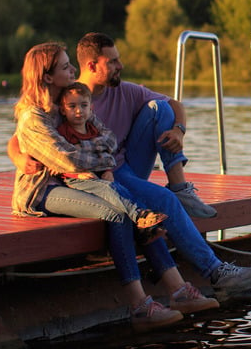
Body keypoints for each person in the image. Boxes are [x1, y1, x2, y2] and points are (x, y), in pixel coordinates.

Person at [9, 34, 251, 292]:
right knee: (158, 202)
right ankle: (212, 272)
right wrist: (18, 157)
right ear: (92, 66)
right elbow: (25, 138)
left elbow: (169, 106)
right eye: (113, 61)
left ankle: (179, 187)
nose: (121, 66)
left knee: (160, 109)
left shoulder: (117, 91)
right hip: (88, 178)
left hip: (117, 166)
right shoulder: (68, 99)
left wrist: (179, 130)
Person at [55, 81, 167, 243]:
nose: (79, 111)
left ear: (91, 107)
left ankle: (145, 225)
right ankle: (140, 215)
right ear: (62, 110)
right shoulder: (64, 132)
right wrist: (79, 170)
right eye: (72, 106)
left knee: (118, 187)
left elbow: (109, 143)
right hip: (76, 178)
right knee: (108, 189)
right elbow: (63, 158)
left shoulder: (93, 128)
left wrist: (107, 169)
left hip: (99, 173)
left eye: (83, 105)